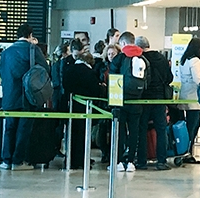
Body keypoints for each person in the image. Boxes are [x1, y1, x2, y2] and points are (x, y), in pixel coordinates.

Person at [0, 23, 49, 171]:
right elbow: (44, 70)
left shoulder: (6, 52)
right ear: (30, 35)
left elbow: (2, 72)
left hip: (9, 96)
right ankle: (18, 161)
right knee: (24, 129)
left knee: (10, 128)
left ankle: (6, 160)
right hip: (27, 96)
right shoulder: (33, 50)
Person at [109, 31, 150, 172]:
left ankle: (119, 161)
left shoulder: (119, 59)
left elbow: (112, 78)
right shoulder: (143, 59)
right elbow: (147, 81)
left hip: (121, 101)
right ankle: (131, 161)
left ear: (124, 43)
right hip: (137, 101)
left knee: (119, 132)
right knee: (134, 132)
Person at [62, 39, 104, 169]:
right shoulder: (89, 73)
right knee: (83, 135)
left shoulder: (69, 69)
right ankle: (81, 160)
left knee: (71, 134)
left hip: (70, 106)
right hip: (85, 108)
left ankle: (70, 159)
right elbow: (95, 90)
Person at [135, 36, 173, 170]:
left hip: (143, 98)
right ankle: (161, 161)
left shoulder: (139, 60)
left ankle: (141, 161)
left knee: (142, 129)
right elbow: (170, 77)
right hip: (160, 98)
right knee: (161, 129)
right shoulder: (162, 58)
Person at [178, 37, 200, 164]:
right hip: (194, 98)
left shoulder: (184, 60)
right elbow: (198, 78)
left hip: (184, 95)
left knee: (186, 126)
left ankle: (184, 151)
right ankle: (187, 152)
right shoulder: (195, 61)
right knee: (193, 126)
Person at [51, 42, 71, 113]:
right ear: (64, 53)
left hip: (56, 92)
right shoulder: (63, 64)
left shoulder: (55, 64)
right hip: (61, 93)